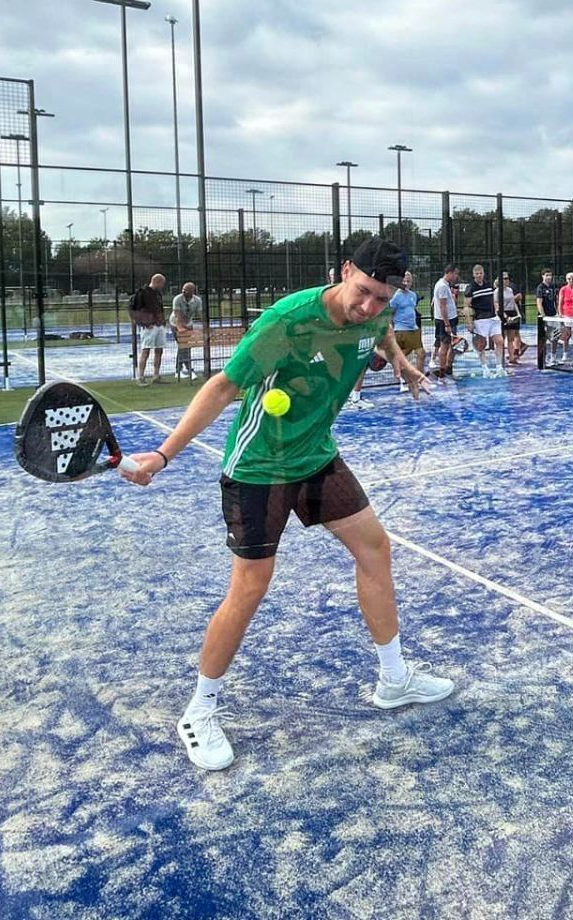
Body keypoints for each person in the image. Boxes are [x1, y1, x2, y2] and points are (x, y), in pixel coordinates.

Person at [119, 238, 449, 772]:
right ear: (345, 270)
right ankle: (198, 712)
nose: (368, 305)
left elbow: (380, 333)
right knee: (250, 586)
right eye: (362, 291)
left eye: (381, 298)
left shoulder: (374, 315)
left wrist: (405, 366)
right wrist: (162, 454)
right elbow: (224, 386)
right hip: (260, 466)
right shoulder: (287, 322)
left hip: (316, 455)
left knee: (375, 549)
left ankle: (394, 679)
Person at [130, 273, 168, 386]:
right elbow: (134, 310)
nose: (162, 286)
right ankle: (140, 376)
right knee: (145, 351)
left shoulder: (158, 294)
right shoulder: (142, 293)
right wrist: (143, 323)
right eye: (162, 284)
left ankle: (156, 376)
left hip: (159, 325)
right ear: (157, 282)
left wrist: (162, 322)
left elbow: (160, 308)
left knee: (159, 350)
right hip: (149, 327)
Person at [465, 263, 503, 377]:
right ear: (473, 275)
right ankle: (485, 368)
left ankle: (499, 367)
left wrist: (496, 309)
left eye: (481, 273)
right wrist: (469, 323)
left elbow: (493, 300)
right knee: (481, 345)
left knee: (499, 341)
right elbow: (466, 307)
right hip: (480, 319)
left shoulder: (488, 285)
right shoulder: (470, 288)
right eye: (477, 273)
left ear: (483, 273)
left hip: (493, 317)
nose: (479, 275)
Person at [171, 281, 207, 380]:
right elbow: (178, 316)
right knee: (183, 346)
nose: (183, 292)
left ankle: (180, 370)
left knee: (185, 347)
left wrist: (205, 327)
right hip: (175, 323)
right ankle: (187, 370)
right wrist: (181, 328)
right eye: (183, 290)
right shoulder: (177, 299)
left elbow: (200, 315)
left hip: (189, 323)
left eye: (186, 290)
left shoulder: (197, 300)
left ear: (192, 291)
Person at [389, 270, 424, 373]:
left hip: (413, 329)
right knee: (402, 356)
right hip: (401, 330)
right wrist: (391, 328)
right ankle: (401, 378)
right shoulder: (396, 296)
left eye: (409, 281)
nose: (406, 283)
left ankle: (420, 378)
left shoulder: (413, 295)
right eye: (404, 281)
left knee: (421, 354)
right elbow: (391, 313)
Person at [432, 263, 460, 379]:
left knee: (450, 344)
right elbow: (442, 306)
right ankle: (442, 370)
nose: (456, 276)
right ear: (449, 273)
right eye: (455, 274)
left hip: (448, 319)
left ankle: (448, 368)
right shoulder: (442, 286)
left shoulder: (443, 284)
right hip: (446, 321)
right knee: (445, 345)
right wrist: (447, 324)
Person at [534, 269, 564, 353]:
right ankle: (542, 357)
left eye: (550, 275)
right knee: (546, 336)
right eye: (546, 275)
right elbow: (539, 303)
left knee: (556, 337)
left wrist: (558, 313)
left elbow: (556, 301)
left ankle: (553, 357)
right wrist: (544, 317)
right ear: (543, 276)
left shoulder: (553, 286)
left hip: (554, 315)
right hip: (546, 317)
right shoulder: (540, 287)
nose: (548, 277)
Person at [499, 273, 526, 366]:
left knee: (512, 336)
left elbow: (514, 302)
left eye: (507, 278)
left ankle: (512, 357)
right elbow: (497, 306)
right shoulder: (497, 291)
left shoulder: (510, 289)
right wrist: (505, 316)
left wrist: (518, 314)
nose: (506, 280)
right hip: (503, 314)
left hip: (512, 313)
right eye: (504, 279)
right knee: (502, 337)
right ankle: (500, 358)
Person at [558, 271, 573, 350]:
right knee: (567, 334)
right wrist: (560, 313)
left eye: (572, 279)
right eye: (569, 279)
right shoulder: (563, 289)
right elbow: (560, 303)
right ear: (566, 280)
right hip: (567, 314)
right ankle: (565, 353)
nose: (571, 280)